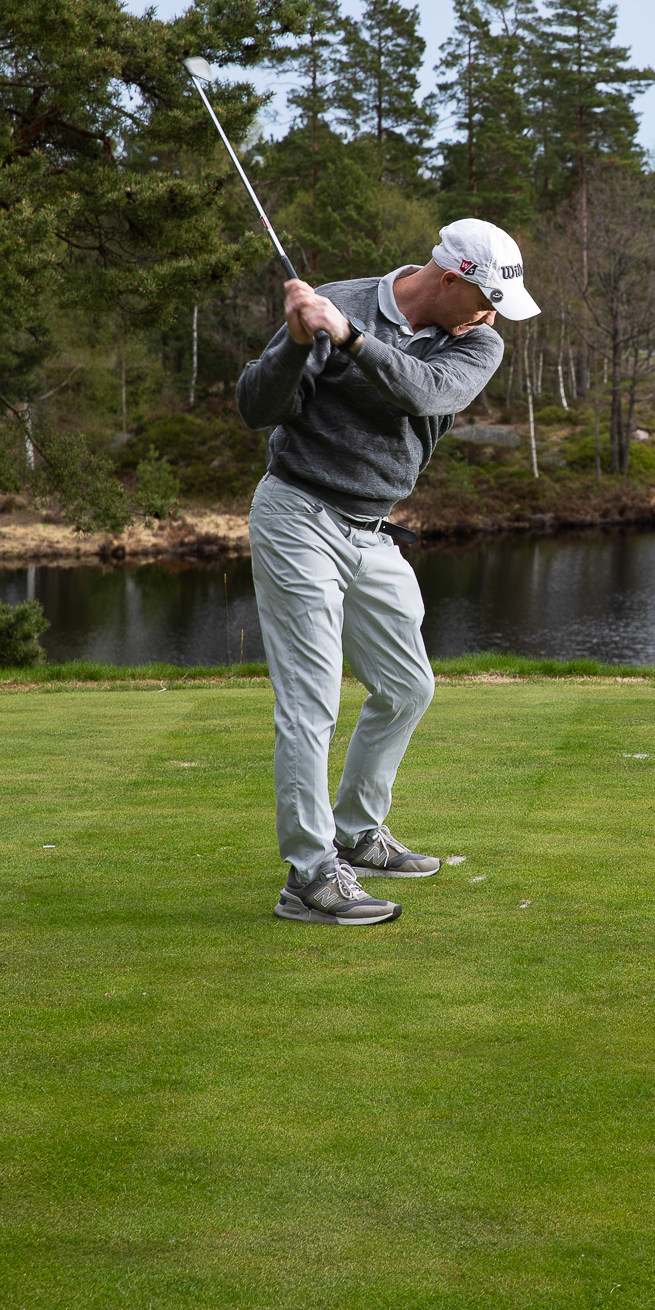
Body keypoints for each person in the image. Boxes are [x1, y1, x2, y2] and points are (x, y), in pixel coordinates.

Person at [236, 219, 539, 926]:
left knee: (408, 686)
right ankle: (310, 875)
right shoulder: (340, 301)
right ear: (450, 278)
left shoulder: (478, 342)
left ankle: (356, 830)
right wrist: (296, 340)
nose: (493, 316)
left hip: (373, 532)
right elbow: (257, 406)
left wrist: (347, 339)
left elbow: (423, 391)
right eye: (486, 298)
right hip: (298, 513)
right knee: (311, 702)